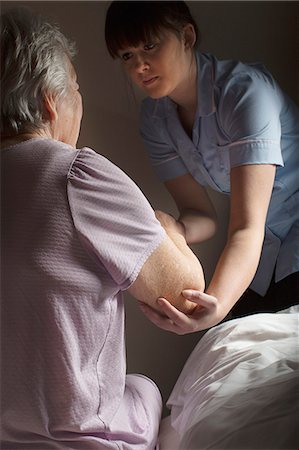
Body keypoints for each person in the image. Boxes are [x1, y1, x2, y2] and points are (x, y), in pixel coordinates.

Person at [0, 8, 205, 449]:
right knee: (145, 389)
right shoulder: (76, 174)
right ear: (49, 101)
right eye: (76, 89)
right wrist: (164, 224)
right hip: (83, 440)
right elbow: (186, 292)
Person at [105, 0, 299, 334]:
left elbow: (245, 227)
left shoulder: (245, 95)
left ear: (187, 36)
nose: (140, 66)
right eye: (127, 55)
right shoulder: (155, 120)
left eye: (149, 46)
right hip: (263, 250)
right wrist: (170, 230)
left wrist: (219, 304)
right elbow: (200, 215)